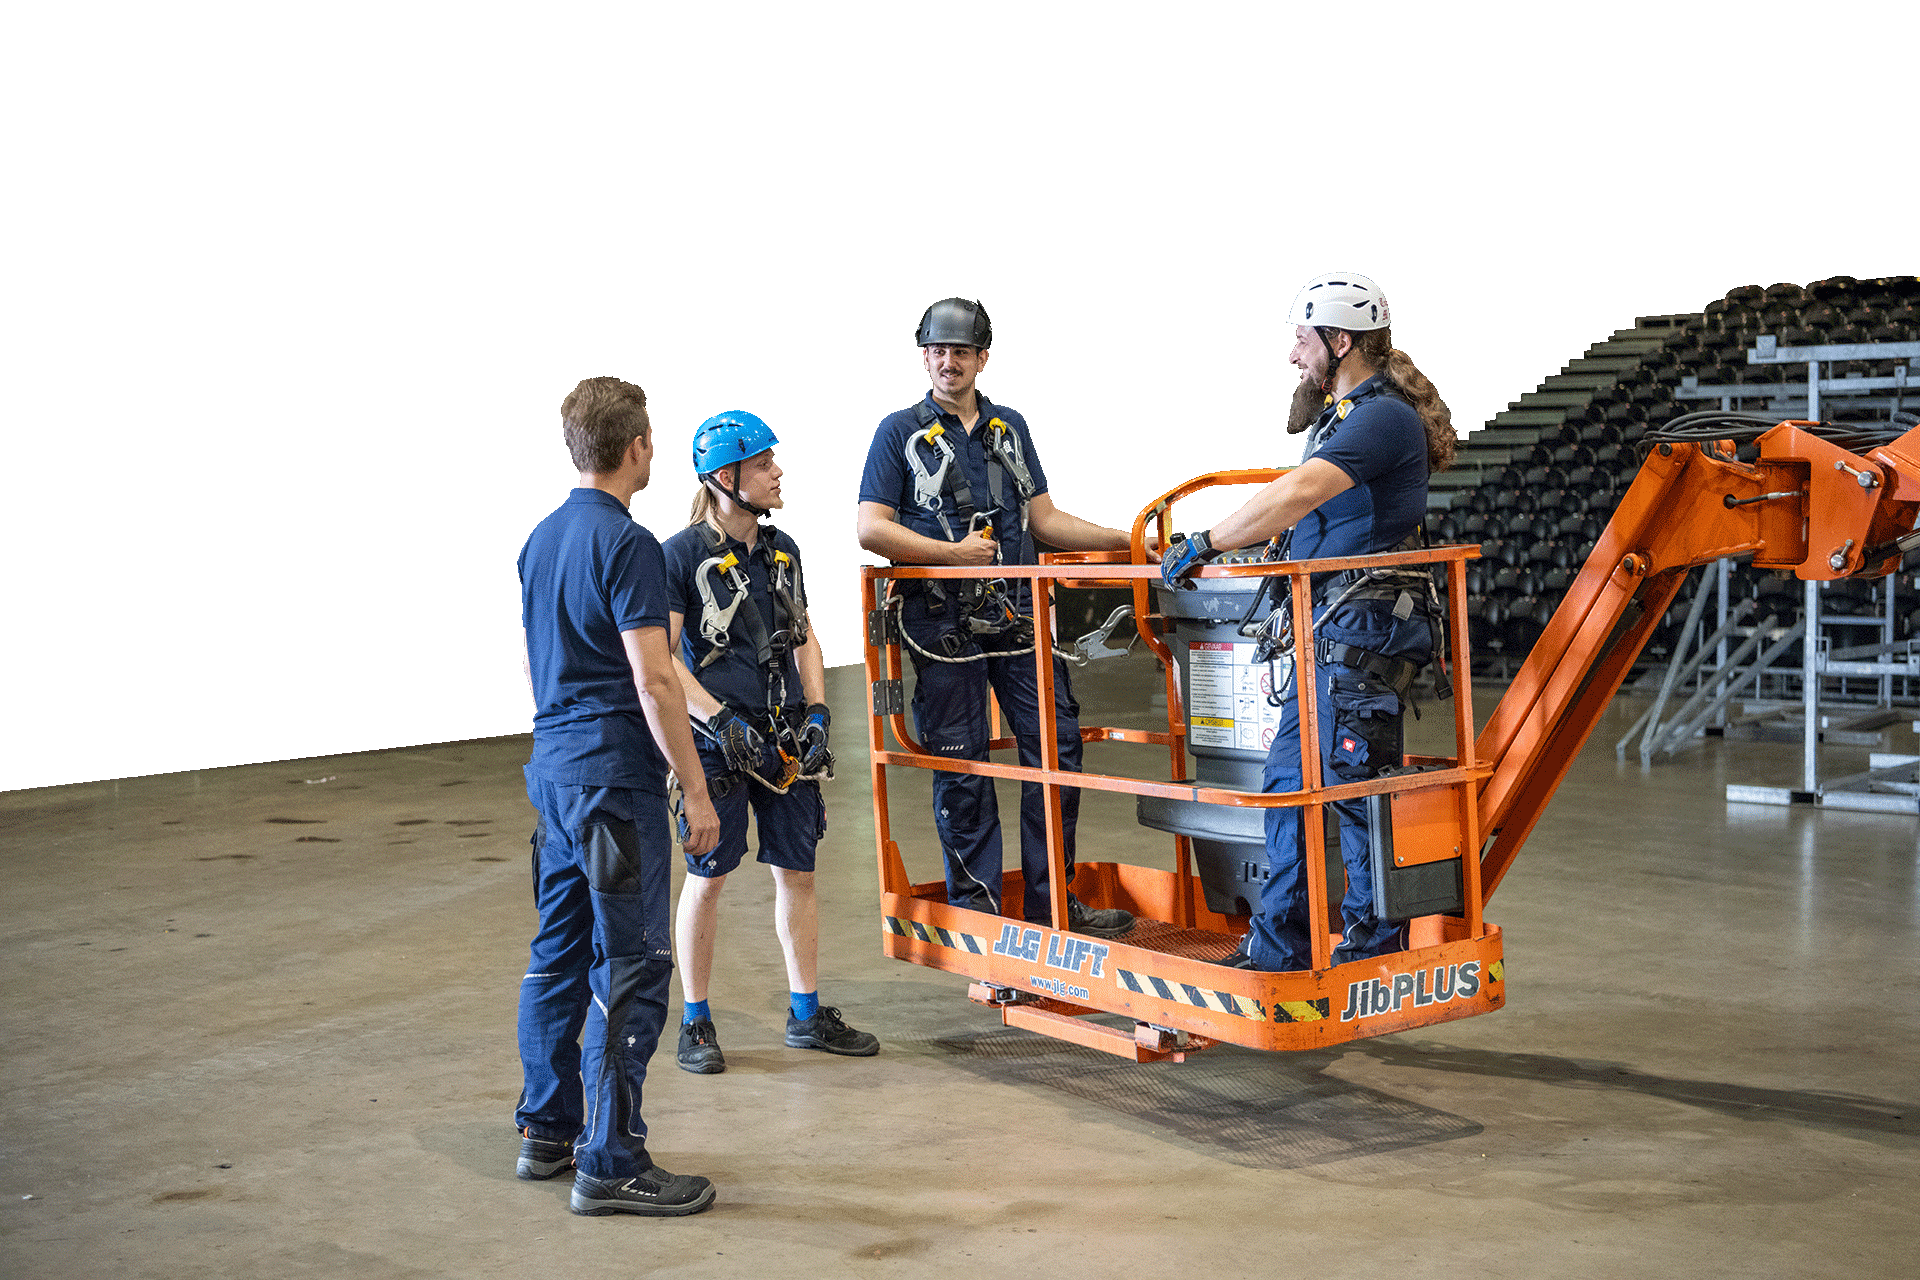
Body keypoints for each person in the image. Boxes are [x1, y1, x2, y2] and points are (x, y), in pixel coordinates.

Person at [1161, 273, 1456, 972]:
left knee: (1353, 801)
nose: (1295, 354)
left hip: (1359, 638)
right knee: (1289, 793)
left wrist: (1209, 541)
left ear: (1340, 339)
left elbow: (1297, 493)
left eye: (1302, 339)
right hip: (1327, 634)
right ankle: (1280, 949)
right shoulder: (1344, 415)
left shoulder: (1381, 418)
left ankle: (1372, 954)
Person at [857, 297, 1140, 938]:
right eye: (936, 350)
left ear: (982, 358)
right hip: (941, 626)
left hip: (1014, 618)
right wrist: (952, 556)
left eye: (959, 351)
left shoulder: (1009, 427)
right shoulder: (898, 432)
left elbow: (1043, 520)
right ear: (924, 356)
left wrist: (1128, 542)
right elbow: (871, 529)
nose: (946, 361)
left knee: (1057, 749)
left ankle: (1053, 906)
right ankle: (979, 916)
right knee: (963, 763)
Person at [515, 376, 722, 1218]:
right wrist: (698, 789)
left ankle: (546, 1131)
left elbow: (531, 667)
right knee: (630, 965)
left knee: (557, 955)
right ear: (637, 445)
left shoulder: (541, 539)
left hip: (555, 776)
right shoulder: (630, 543)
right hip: (613, 784)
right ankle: (610, 1160)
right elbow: (655, 679)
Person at [663, 410, 879, 1073]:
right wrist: (716, 720)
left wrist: (817, 710)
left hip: (784, 736)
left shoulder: (785, 550)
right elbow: (664, 657)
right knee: (708, 878)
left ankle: (806, 1014)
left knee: (800, 874)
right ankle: (695, 1023)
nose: (777, 472)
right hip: (716, 742)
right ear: (725, 478)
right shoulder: (678, 555)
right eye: (763, 464)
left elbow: (806, 634)